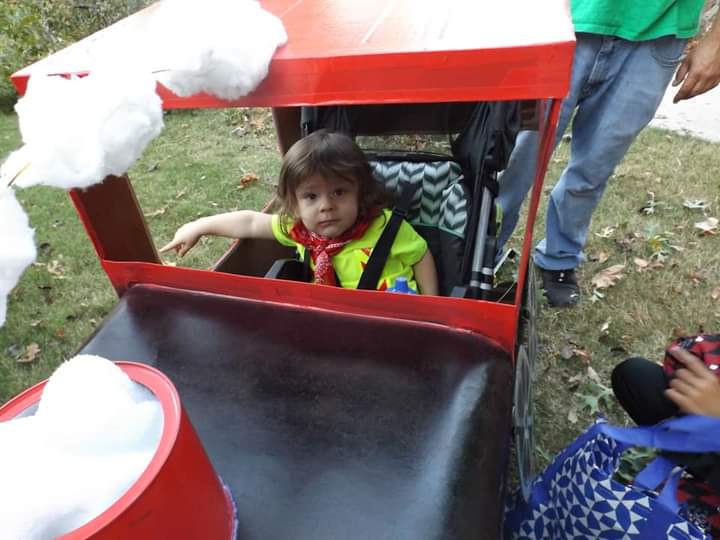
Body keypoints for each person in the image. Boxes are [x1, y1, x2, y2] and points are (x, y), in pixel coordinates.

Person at [497, 1, 720, 307]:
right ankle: (481, 247)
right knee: (518, 152)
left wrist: (716, 41)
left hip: (658, 34)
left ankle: (559, 257)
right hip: (559, 20)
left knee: (595, 165)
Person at [160, 130, 439, 295]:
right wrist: (199, 226)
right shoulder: (300, 230)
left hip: (393, 319)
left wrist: (431, 306)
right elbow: (249, 221)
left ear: (360, 192)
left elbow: (420, 255)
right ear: (295, 202)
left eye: (339, 192)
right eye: (311, 196)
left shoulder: (384, 228)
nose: (326, 205)